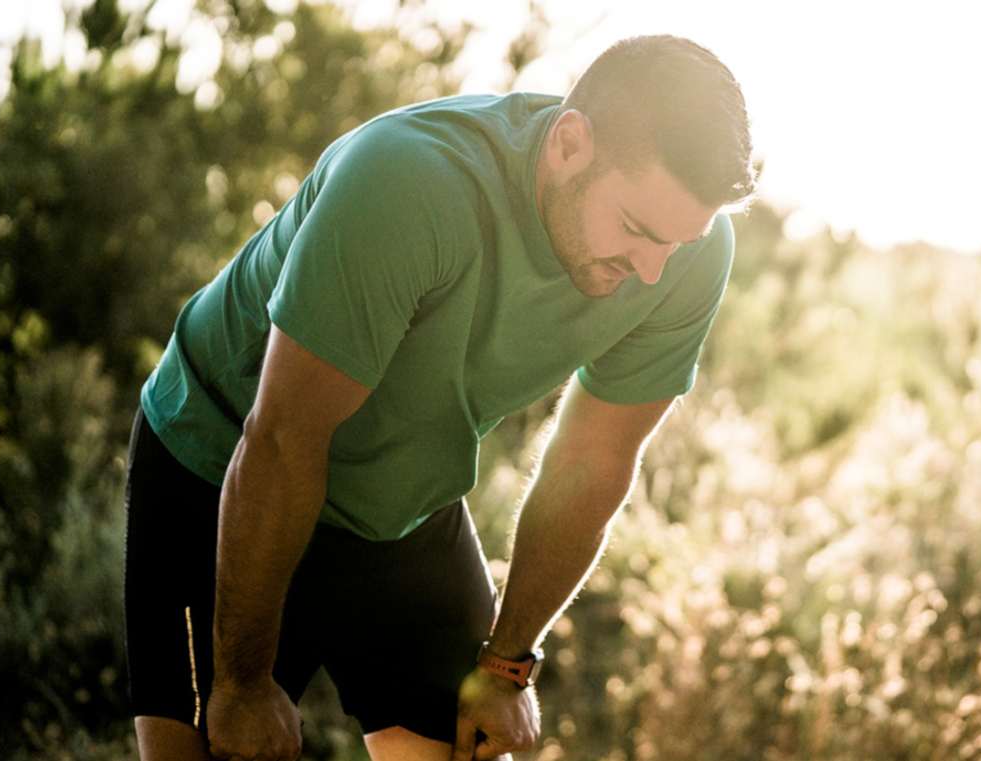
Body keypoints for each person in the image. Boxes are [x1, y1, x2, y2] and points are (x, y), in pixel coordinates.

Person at [122, 34, 756, 761]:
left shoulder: (687, 254)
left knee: (474, 746)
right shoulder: (405, 184)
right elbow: (282, 441)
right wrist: (238, 683)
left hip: (401, 492)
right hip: (222, 456)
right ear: (570, 145)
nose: (652, 271)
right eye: (637, 230)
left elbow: (594, 459)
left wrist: (507, 665)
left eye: (677, 242)